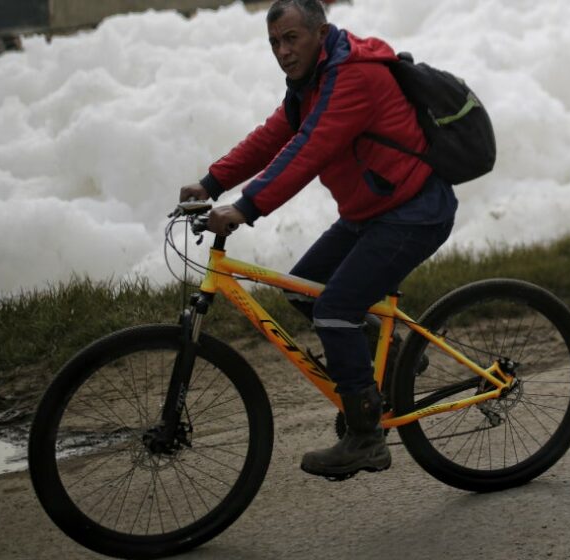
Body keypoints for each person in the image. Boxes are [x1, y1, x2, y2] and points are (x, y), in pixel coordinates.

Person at [179, 0, 457, 480]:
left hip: (412, 212)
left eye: (291, 39)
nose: (282, 52)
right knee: (301, 286)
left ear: (320, 32)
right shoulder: (311, 81)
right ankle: (392, 364)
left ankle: (366, 435)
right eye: (273, 43)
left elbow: (309, 150)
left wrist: (245, 208)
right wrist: (211, 182)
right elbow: (273, 136)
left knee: (333, 309)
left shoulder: (352, 77)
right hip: (370, 212)